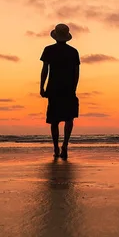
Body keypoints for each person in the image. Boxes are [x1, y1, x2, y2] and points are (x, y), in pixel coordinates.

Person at [40, 23, 80, 160]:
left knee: (54, 120)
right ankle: (65, 145)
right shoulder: (73, 52)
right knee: (69, 118)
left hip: (54, 88)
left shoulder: (49, 50)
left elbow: (45, 70)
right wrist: (74, 88)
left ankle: (56, 147)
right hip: (68, 89)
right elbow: (76, 73)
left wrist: (42, 87)